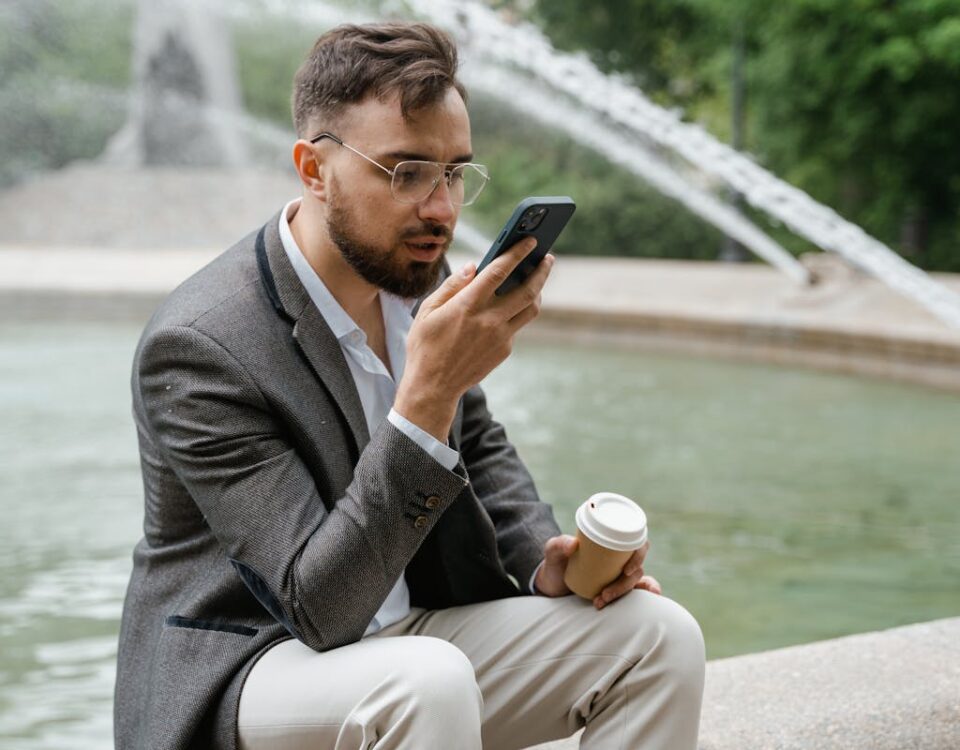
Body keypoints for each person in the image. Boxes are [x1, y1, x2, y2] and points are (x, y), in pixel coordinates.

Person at [113, 21, 705, 750]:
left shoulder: (414, 282)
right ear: (314, 169)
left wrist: (546, 562)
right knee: (428, 680)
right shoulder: (200, 348)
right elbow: (317, 607)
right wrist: (426, 395)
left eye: (454, 173)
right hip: (254, 666)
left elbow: (478, 447)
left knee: (657, 635)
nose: (442, 209)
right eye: (407, 172)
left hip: (409, 639)